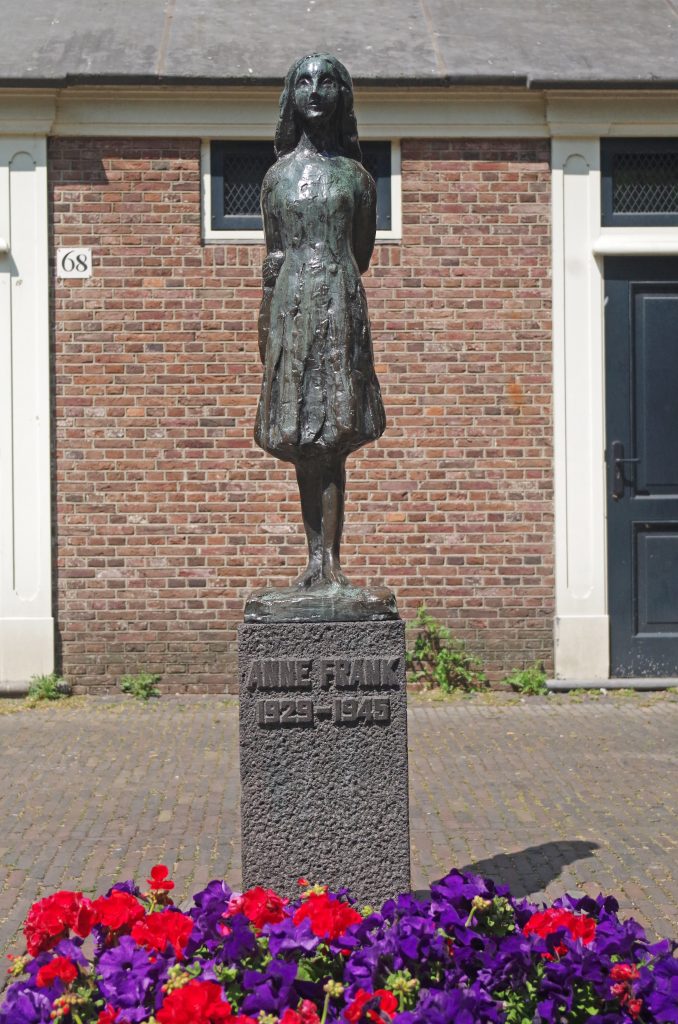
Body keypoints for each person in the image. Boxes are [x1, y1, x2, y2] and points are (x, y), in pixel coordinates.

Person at [254, 53, 386, 589]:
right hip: (290, 308)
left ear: (341, 95)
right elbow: (274, 253)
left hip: (337, 304)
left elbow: (360, 254)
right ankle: (313, 559)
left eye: (326, 81)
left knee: (331, 437)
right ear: (291, 95)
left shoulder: (357, 179)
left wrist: (325, 276)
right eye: (303, 81)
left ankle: (330, 562)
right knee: (303, 441)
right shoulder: (276, 178)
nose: (314, 90)